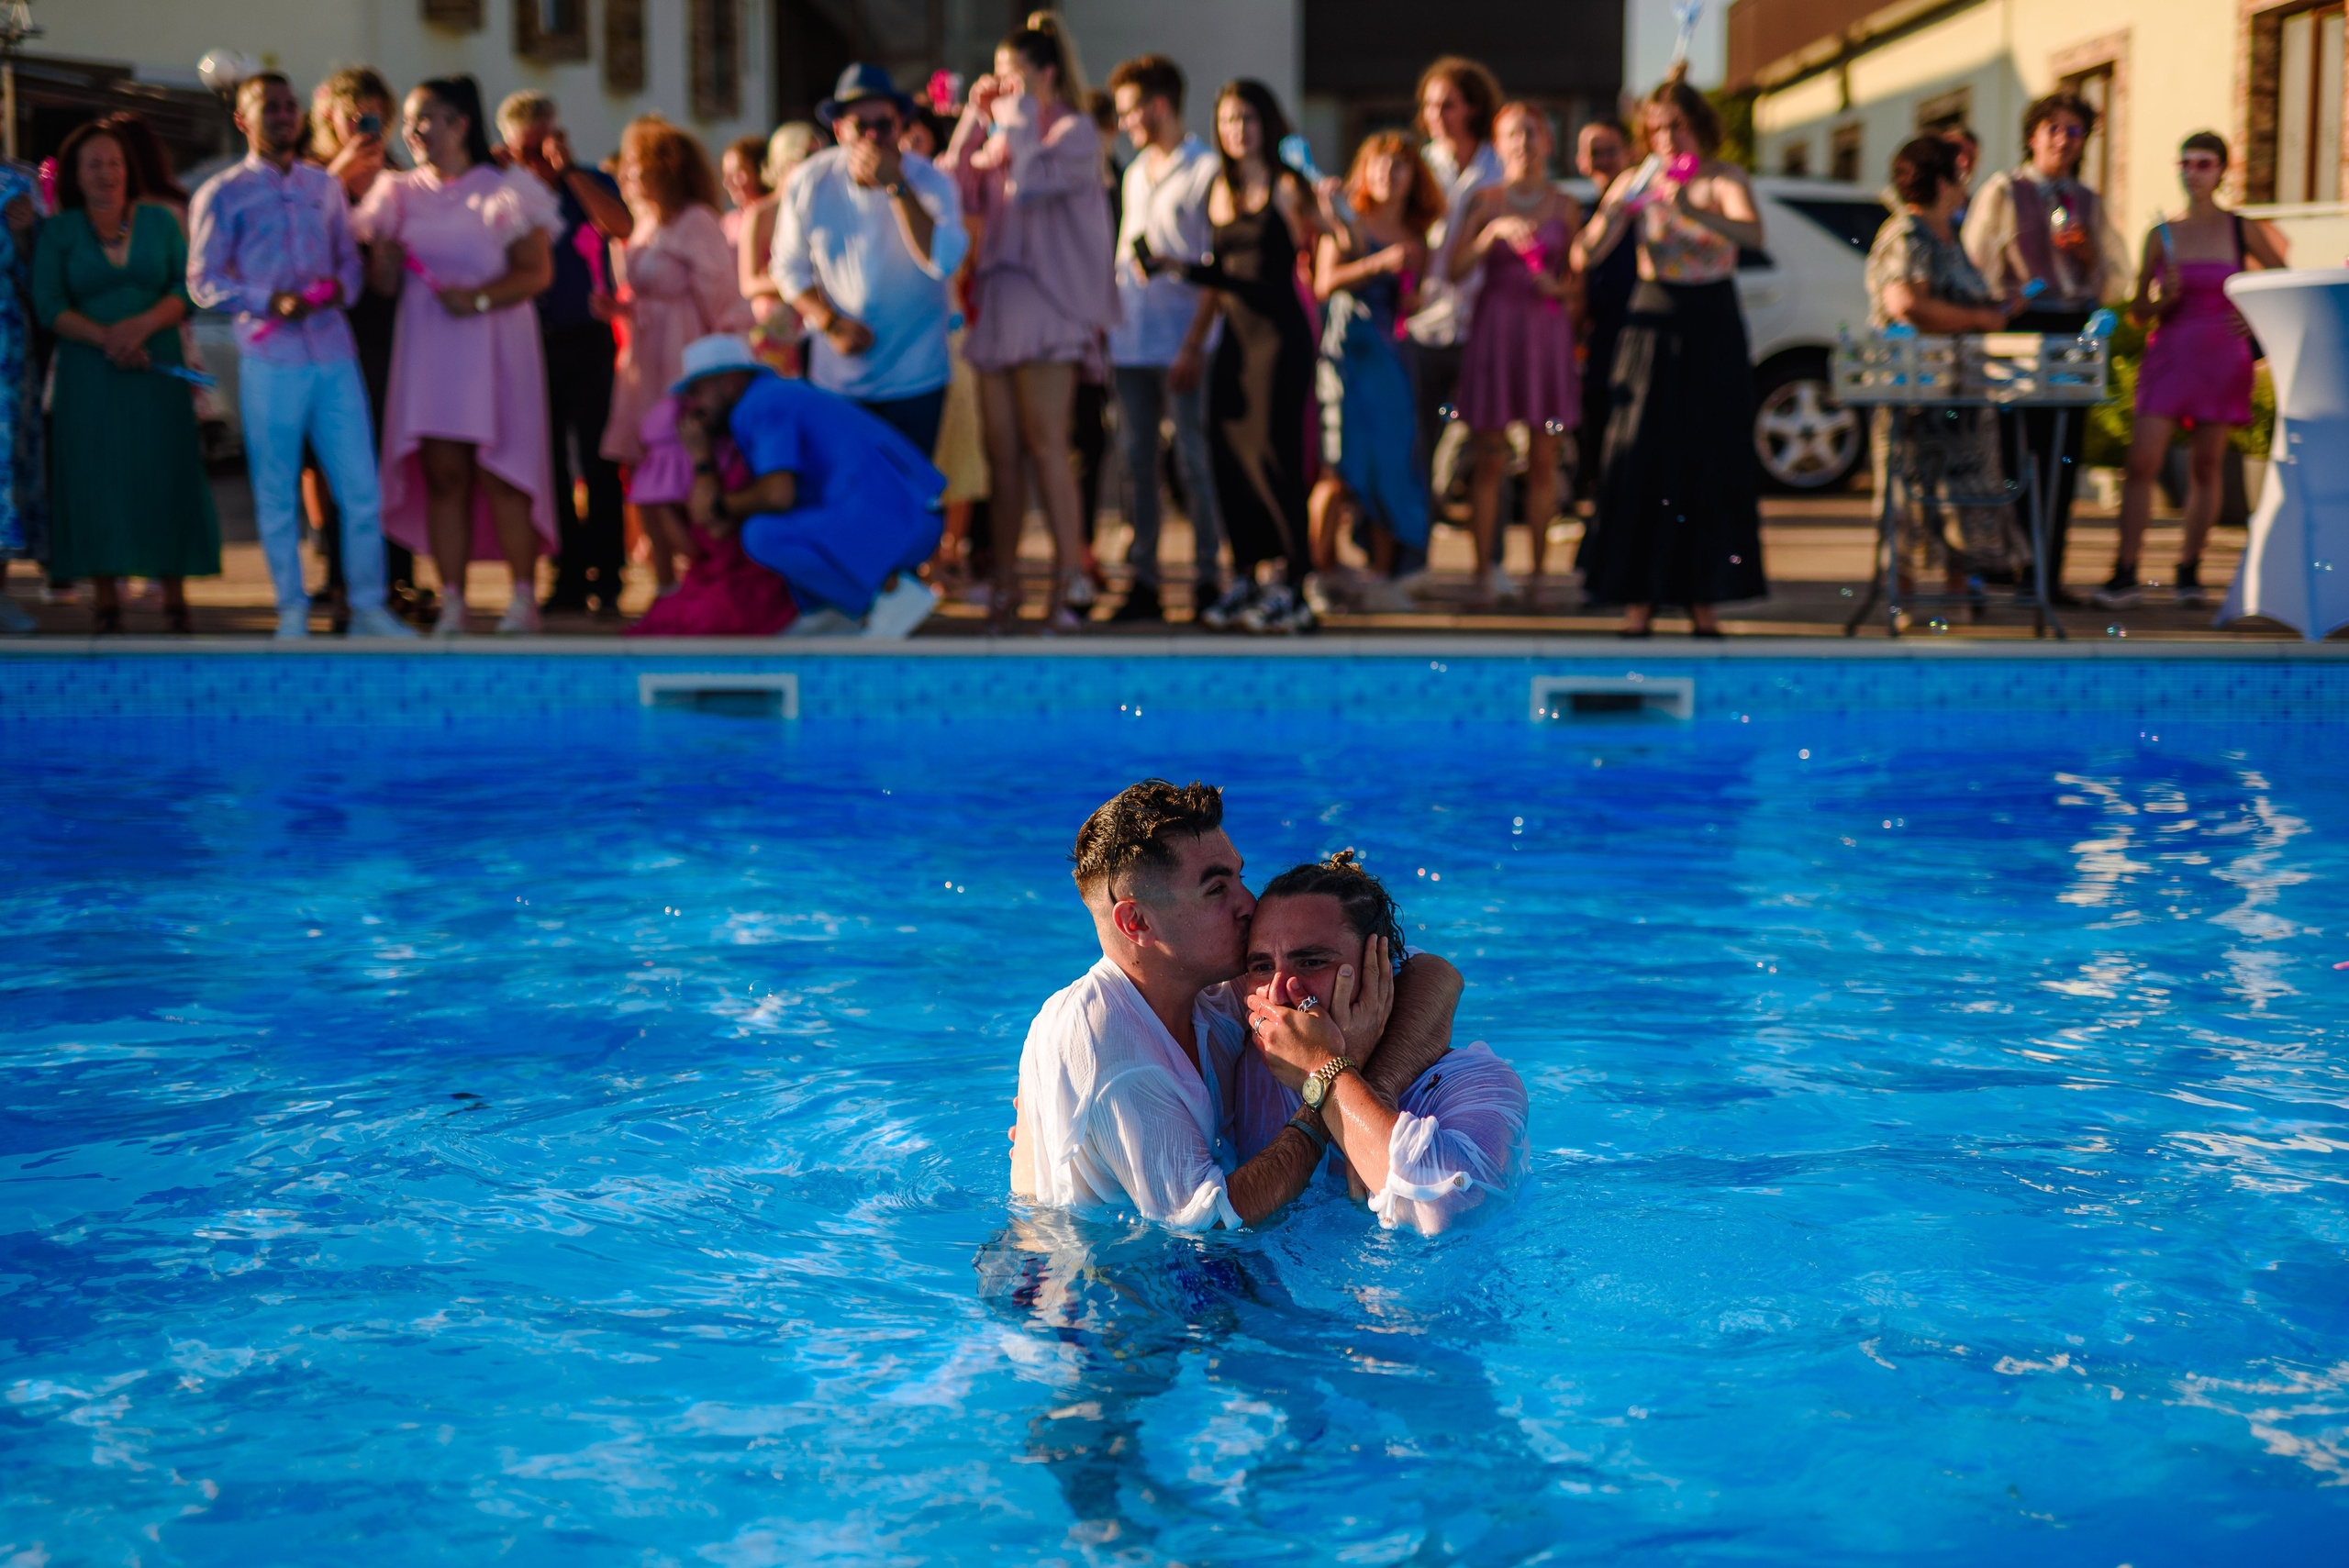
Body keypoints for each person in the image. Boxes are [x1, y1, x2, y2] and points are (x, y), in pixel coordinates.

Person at [1010, 778, 1464, 1230]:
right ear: (1137, 921)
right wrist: (1326, 1084)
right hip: (1095, 1284)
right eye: (1216, 889)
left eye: (1239, 877)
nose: (1248, 904)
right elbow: (1213, 1224)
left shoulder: (1207, 995)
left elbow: (1432, 976)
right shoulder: (1104, 1036)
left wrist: (1376, 1083)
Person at [188, 73, 414, 640]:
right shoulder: (223, 193)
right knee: (277, 489)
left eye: (291, 106)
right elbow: (203, 280)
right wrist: (268, 300)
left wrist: (343, 286)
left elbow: (347, 263)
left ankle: (367, 606)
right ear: (243, 119)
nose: (285, 115)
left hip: (336, 353)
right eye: (271, 107)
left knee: (361, 488)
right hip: (272, 360)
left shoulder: (322, 186)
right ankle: (291, 608)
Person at [356, 75, 559, 636]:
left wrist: (479, 297)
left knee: (503, 473)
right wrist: (386, 262)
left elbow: (537, 272)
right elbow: (381, 285)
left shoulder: (506, 189)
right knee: (444, 474)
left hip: (496, 345)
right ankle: (452, 601)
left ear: (459, 124)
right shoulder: (396, 193)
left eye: (426, 118)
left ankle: (522, 599)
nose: (413, 130)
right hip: (430, 347)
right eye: (411, 120)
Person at [1571, 66, 1767, 638]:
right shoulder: (1637, 180)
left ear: (1699, 126)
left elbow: (1752, 235)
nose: (1666, 141)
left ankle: (1704, 602)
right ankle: (1638, 603)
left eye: (1676, 127)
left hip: (1711, 327)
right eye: (1656, 130)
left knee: (1708, 462)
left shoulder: (1722, 177)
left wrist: (1691, 207)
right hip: (1651, 327)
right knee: (1641, 461)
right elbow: (1585, 254)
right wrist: (1617, 205)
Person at [1237, 853, 1529, 1235]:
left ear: (1384, 966)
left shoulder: (1479, 1083)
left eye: (1311, 962)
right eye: (1261, 966)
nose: (1278, 992)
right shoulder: (1241, 1050)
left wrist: (1327, 1069)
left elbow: (1449, 1210)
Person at [942, 12, 1120, 632]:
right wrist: (972, 118)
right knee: (1002, 452)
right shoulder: (1001, 131)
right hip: (998, 302)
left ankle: (1070, 577)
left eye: (1012, 74)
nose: (1002, 86)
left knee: (1048, 442)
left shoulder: (1073, 132)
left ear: (1044, 75)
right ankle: (1008, 579)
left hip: (1050, 306)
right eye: (996, 75)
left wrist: (1013, 118)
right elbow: (952, 191)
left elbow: (1028, 188)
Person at [34, 118, 219, 633]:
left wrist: (138, 328)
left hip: (154, 369)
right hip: (88, 374)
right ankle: (107, 598)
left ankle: (176, 596)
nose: (106, 173)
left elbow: (185, 291)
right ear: (75, 173)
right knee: (96, 480)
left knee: (163, 475)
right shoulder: (59, 230)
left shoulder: (161, 222)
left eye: (114, 162)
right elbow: (48, 304)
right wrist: (105, 339)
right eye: (94, 164)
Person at [1146, 80, 1318, 636]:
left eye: (1246, 119)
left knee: (1275, 459)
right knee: (1229, 458)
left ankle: (1294, 584)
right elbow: (1225, 274)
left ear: (1266, 123)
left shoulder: (1288, 187)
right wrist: (1176, 266)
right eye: (1227, 121)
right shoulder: (1221, 189)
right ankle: (1245, 573)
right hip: (1235, 340)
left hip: (1280, 339)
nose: (1237, 130)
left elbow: (1315, 250)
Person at [2098, 131, 2287, 611]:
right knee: (2142, 462)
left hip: (2221, 357)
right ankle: (2125, 571)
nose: (2194, 172)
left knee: (2207, 466)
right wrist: (2163, 299)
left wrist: (2256, 314)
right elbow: (2138, 312)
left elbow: (2284, 276)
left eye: (2204, 163)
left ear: (2223, 170)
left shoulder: (2240, 229)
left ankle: (2189, 569)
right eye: (2186, 163)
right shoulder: (2161, 232)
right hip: (2170, 355)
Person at [1963, 92, 2124, 606]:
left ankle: (2049, 574)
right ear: (2032, 136)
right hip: (2020, 329)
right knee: (2016, 451)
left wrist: (2087, 251)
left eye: (2073, 131)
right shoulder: (2004, 191)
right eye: (2052, 129)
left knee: (2064, 452)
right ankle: (2018, 563)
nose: (2061, 139)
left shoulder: (2088, 200)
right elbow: (1974, 265)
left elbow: (2114, 279)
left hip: (2072, 327)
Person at [669, 333, 943, 636]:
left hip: (905, 522)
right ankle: (839, 610)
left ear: (731, 381)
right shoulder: (770, 396)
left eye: (698, 389)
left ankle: (890, 595)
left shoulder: (760, 404)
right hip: (911, 516)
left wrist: (721, 504)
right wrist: (703, 462)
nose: (694, 404)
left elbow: (778, 494)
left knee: (762, 534)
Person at [1864, 134, 2028, 608]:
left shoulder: (1945, 235)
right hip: (1917, 395)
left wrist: (1996, 306)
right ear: (1941, 180)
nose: (1966, 181)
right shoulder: (1907, 234)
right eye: (1958, 173)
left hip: (1959, 393)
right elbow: (1905, 303)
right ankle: (1905, 605)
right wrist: (1980, 318)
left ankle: (1957, 602)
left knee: (1964, 502)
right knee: (1912, 501)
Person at [774, 64, 969, 455]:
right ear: (840, 130)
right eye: (861, 126)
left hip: (916, 379)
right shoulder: (810, 180)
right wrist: (830, 322)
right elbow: (787, 267)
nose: (874, 136)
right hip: (838, 384)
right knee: (847, 503)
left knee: (908, 502)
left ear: (901, 126)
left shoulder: (931, 181)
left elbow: (943, 261)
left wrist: (897, 186)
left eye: (884, 124)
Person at [598, 115, 752, 595]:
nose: (626, 173)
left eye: (635, 164)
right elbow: (647, 290)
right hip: (643, 357)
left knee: (684, 464)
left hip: (683, 357)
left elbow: (723, 298)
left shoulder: (697, 223)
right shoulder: (645, 224)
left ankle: (704, 576)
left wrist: (720, 372)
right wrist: (621, 308)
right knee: (643, 466)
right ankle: (664, 582)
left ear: (664, 167)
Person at [497, 90, 633, 617]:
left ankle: (611, 575)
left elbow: (620, 226)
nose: (535, 160)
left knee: (600, 464)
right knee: (549, 467)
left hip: (589, 340)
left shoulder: (586, 183)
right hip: (532, 342)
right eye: (525, 150)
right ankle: (568, 574)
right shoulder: (506, 190)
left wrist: (569, 171)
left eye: (542, 147)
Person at [1102, 53, 1223, 625]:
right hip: (1132, 341)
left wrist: (1194, 344)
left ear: (1157, 106)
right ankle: (1144, 579)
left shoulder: (1205, 170)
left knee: (1195, 463)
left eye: (1129, 112)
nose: (1124, 124)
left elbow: (1217, 271)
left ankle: (1206, 578)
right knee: (1136, 464)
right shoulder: (1132, 172)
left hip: (1183, 341)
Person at [1451, 103, 1583, 608]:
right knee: (1488, 458)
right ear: (1499, 144)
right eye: (1512, 135)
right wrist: (1491, 236)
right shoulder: (1483, 202)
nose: (1522, 143)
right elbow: (1454, 270)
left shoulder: (1565, 205)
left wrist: (1562, 288)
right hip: (1495, 334)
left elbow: (1578, 283)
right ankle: (1484, 572)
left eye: (1531, 133)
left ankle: (1539, 574)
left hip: (1543, 337)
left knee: (1544, 458)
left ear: (1547, 142)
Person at [307, 66, 425, 623]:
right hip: (324, 339)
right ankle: (339, 578)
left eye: (374, 114)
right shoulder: (310, 176)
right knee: (333, 461)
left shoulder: (400, 177)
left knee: (388, 457)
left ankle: (398, 578)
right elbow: (297, 236)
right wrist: (338, 176)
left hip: (391, 336)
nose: (364, 125)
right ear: (328, 117)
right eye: (352, 114)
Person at [1307, 129, 1438, 613]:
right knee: (1336, 470)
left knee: (1389, 469)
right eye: (1380, 163)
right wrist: (1376, 263)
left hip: (1391, 364)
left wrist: (1412, 295)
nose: (1389, 173)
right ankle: (1320, 573)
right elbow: (1324, 284)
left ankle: (1381, 578)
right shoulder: (1348, 221)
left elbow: (1410, 304)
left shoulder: (1417, 237)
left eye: (1399, 166)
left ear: (1413, 178)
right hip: (1345, 359)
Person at [1402, 56, 1506, 585]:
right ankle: (1416, 560)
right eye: (1429, 105)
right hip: (1424, 325)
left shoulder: (1499, 166)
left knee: (1489, 449)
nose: (1436, 114)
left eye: (1447, 103)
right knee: (1417, 446)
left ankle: (1493, 566)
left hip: (1484, 326)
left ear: (1473, 107)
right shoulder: (1418, 166)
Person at [1574, 118, 1635, 517]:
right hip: (1595, 338)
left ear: (1630, 153)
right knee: (1594, 429)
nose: (1603, 159)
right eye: (1594, 151)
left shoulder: (1644, 203)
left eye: (1611, 149)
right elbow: (1578, 261)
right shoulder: (1578, 212)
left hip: (1638, 332)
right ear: (1581, 161)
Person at [737, 121, 819, 376]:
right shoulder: (760, 214)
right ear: (785, 163)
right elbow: (748, 284)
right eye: (808, 157)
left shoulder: (818, 209)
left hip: (816, 327)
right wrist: (799, 283)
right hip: (775, 334)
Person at [0, 159, 41, 635]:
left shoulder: (17, 184)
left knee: (6, 467)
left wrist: (29, 235)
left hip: (7, 352)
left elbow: (41, 279)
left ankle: (2, 593)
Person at [718, 134, 768, 250]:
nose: (728, 183)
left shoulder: (778, 219)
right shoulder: (727, 223)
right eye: (726, 175)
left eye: (738, 173)